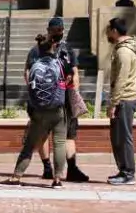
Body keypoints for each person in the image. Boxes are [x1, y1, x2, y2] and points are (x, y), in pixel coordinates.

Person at [16, 17, 88, 183]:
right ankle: (68, 171)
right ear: (61, 31)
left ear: (48, 31)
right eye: (59, 30)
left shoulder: (35, 50)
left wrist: (37, 94)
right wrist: (74, 95)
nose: (59, 33)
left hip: (39, 102)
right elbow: (74, 74)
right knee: (65, 138)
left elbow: (27, 75)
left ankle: (47, 168)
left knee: (40, 136)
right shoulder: (66, 50)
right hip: (61, 103)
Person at [9, 34, 70, 189]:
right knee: (60, 143)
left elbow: (30, 84)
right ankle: (57, 179)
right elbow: (69, 79)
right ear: (52, 47)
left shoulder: (35, 65)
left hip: (38, 111)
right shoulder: (60, 63)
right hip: (57, 110)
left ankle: (17, 176)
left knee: (30, 144)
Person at [104, 16, 136, 185]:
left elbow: (121, 79)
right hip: (125, 98)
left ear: (114, 31)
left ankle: (128, 173)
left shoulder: (123, 51)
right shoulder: (125, 49)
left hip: (125, 99)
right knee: (117, 136)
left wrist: (114, 103)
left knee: (123, 136)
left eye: (108, 30)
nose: (107, 33)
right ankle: (123, 170)